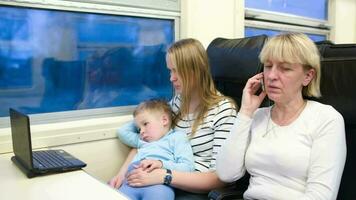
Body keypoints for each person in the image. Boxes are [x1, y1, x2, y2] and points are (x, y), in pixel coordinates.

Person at [216, 32, 347, 200]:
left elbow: (320, 196)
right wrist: (245, 112)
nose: (271, 76)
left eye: (285, 68)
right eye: (268, 66)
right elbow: (226, 174)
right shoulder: (256, 116)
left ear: (308, 76)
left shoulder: (326, 119)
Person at [110, 38, 237, 199]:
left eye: (177, 71)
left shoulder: (224, 110)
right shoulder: (177, 102)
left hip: (194, 188)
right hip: (164, 179)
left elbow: (219, 179)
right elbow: (146, 141)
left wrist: (164, 175)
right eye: (170, 71)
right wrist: (121, 174)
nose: (171, 78)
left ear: (196, 70)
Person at [113, 99, 195, 200]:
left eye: (145, 124)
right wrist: (139, 120)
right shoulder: (142, 140)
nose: (141, 131)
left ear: (164, 120)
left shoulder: (177, 137)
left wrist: (161, 164)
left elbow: (188, 168)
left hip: (159, 185)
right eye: (139, 129)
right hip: (131, 182)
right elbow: (122, 132)